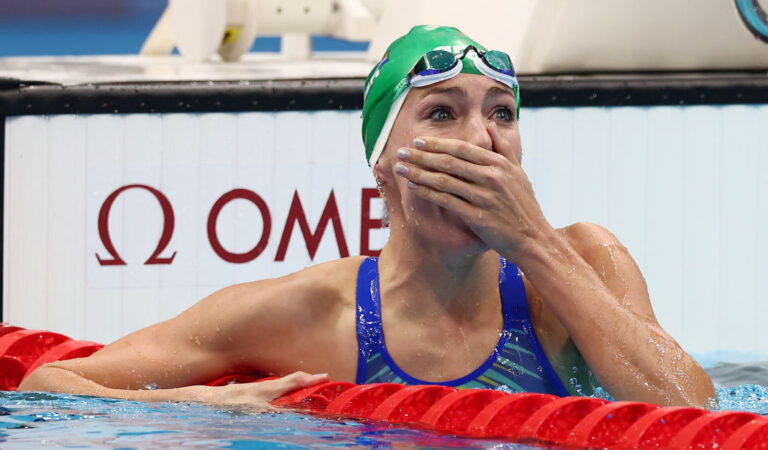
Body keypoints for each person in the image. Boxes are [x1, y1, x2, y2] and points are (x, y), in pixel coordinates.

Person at [20, 25, 715, 409]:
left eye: (502, 115)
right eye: (443, 113)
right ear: (382, 163)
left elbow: (700, 419)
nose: (482, 139)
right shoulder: (308, 314)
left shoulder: (583, 264)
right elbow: (48, 384)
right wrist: (202, 406)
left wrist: (534, 244)